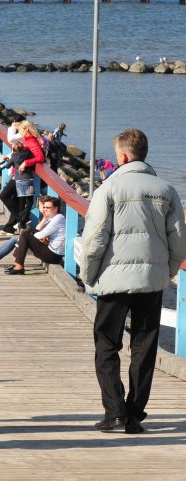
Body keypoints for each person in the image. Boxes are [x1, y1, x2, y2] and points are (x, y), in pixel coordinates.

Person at [79, 128, 186, 434]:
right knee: (144, 345)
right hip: (151, 281)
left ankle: (114, 412)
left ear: (122, 156)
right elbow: (179, 239)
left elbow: (94, 238)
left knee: (106, 345)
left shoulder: (108, 189)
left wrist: (89, 275)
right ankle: (135, 414)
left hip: (113, 280)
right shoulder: (166, 189)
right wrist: (167, 272)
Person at [3, 195, 66, 275]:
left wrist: (32, 234)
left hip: (53, 255)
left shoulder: (58, 219)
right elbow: (37, 229)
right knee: (26, 233)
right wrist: (45, 218)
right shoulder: (52, 217)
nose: (45, 209)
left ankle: (18, 265)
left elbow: (39, 235)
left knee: (26, 234)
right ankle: (17, 264)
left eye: (48, 208)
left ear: (56, 208)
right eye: (44, 207)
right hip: (51, 251)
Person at [0, 138, 34, 235]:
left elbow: (8, 166)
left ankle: (21, 219)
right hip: (29, 179)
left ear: (13, 150)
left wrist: (8, 160)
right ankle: (21, 220)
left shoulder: (14, 156)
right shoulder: (28, 155)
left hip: (18, 180)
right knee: (28, 200)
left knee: (18, 200)